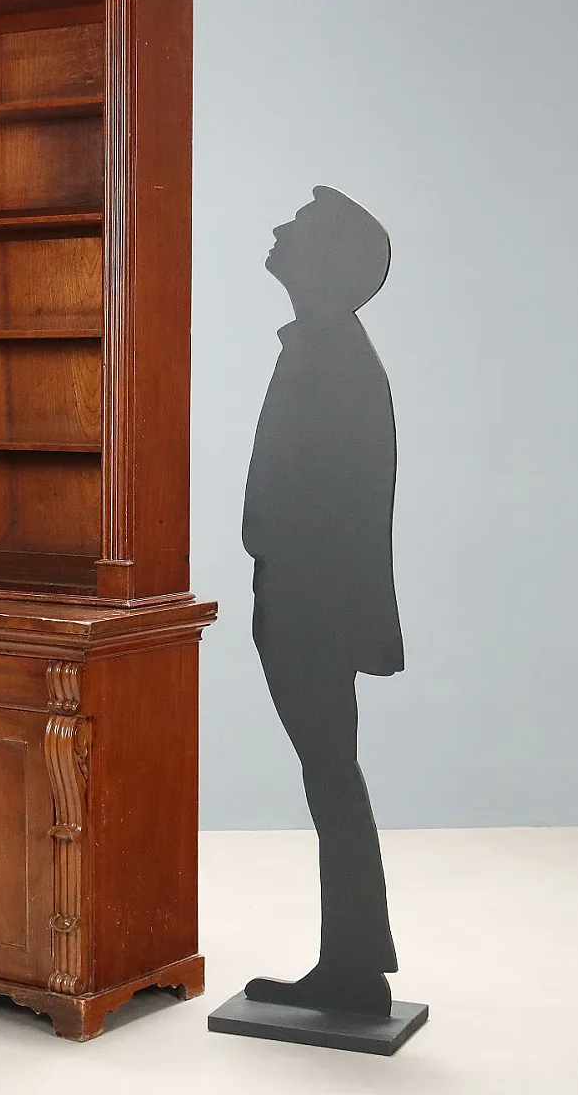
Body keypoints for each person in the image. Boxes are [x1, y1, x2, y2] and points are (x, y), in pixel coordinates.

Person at [241, 185, 402, 1016]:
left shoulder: (331, 355)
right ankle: (354, 960)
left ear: (328, 261)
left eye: (299, 227)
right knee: (332, 774)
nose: (278, 229)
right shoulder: (323, 348)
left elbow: (342, 497)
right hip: (304, 595)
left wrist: (288, 574)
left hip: (312, 601)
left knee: (331, 775)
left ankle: (353, 967)